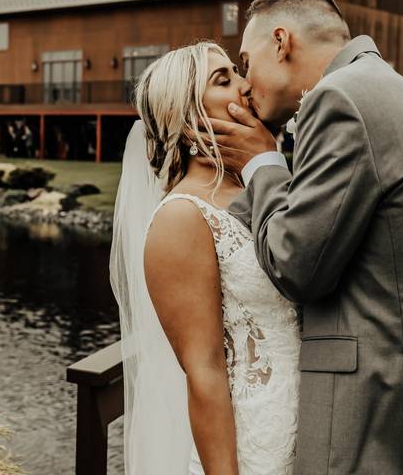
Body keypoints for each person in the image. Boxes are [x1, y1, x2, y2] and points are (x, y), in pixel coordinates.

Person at [209, 0, 403, 474]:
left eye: (246, 62)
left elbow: (297, 267)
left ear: (282, 43)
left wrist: (263, 163)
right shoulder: (397, 90)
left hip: (390, 422)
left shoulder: (339, 101)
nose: (245, 83)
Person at [110, 41, 301, 475]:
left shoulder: (261, 186)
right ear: (190, 116)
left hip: (311, 430)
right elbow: (205, 373)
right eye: (224, 79)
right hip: (254, 447)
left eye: (236, 70)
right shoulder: (181, 217)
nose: (246, 83)